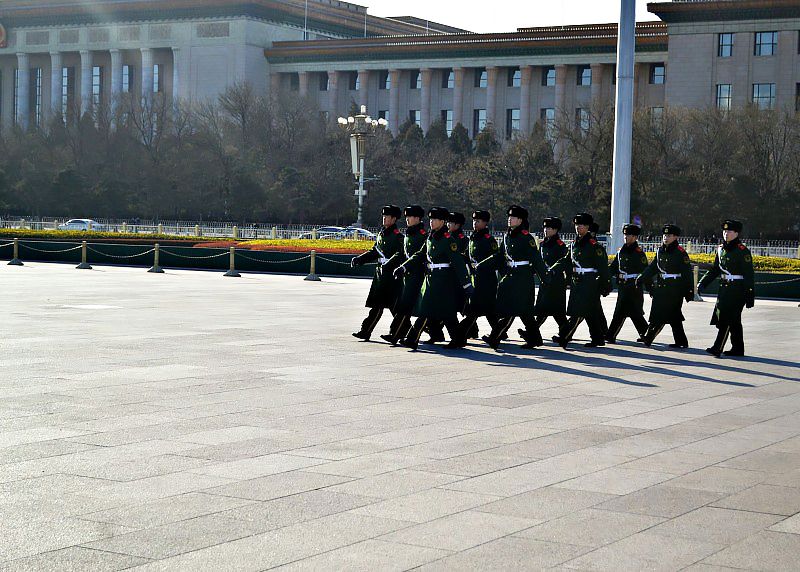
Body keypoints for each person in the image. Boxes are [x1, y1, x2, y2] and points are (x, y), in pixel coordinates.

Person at [394, 207, 472, 350]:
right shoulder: (431, 237)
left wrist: (467, 284)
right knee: (448, 312)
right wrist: (404, 267)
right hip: (432, 278)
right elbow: (419, 255)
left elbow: (458, 263)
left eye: (434, 219)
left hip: (442, 280)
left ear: (442, 221)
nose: (431, 222)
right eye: (430, 219)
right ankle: (459, 339)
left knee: (425, 308)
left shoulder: (448, 240)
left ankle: (412, 339)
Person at [480, 205, 549, 351]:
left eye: (513, 217)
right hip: (511, 276)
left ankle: (495, 337)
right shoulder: (506, 236)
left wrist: (545, 277)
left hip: (522, 278)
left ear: (520, 220)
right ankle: (535, 339)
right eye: (509, 217)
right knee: (526, 313)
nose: (509, 219)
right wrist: (482, 265)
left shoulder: (526, 238)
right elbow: (499, 256)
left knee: (510, 310)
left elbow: (536, 259)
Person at [551, 213, 611, 348]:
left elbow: (603, 267)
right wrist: (554, 269)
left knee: (578, 311)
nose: (578, 227)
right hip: (577, 281)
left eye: (582, 225)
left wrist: (606, 284)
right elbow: (566, 261)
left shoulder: (594, 245)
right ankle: (598, 338)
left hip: (589, 282)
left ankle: (564, 336)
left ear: (588, 227)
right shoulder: (574, 244)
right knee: (591, 312)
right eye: (577, 225)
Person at [698, 219, 755, 357]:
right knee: (734, 321)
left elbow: (748, 274)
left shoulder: (742, 251)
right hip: (725, 289)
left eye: (729, 231)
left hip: (737, 290)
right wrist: (702, 283)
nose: (726, 233)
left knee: (727, 319)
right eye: (724, 231)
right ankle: (738, 349)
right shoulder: (721, 249)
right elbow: (715, 269)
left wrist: (749, 294)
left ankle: (718, 347)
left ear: (736, 233)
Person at [350, 205, 404, 340]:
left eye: (387, 217)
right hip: (380, 274)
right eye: (383, 216)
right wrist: (360, 259)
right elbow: (375, 251)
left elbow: (401, 254)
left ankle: (399, 331)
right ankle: (367, 330)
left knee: (390, 306)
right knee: (380, 304)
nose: (384, 219)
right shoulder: (382, 233)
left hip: (391, 275)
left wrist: (389, 265)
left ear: (394, 219)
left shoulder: (397, 236)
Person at [638, 223, 694, 348]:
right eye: (664, 235)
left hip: (674, 288)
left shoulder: (680, 253)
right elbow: (653, 267)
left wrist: (689, 291)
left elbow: (687, 273)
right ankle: (681, 341)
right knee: (673, 316)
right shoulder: (660, 251)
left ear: (675, 237)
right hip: (661, 286)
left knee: (663, 314)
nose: (666, 238)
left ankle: (648, 337)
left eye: (669, 235)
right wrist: (642, 277)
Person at [382, 205, 427, 345]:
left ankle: (397, 334)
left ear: (418, 218)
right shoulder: (410, 233)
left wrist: (405, 267)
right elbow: (401, 253)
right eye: (406, 217)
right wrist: (390, 264)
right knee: (404, 306)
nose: (407, 219)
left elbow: (419, 256)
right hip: (407, 275)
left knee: (407, 306)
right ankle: (397, 334)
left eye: (410, 217)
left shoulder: (422, 235)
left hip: (417, 275)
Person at [424, 211, 469, 344]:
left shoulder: (458, 239)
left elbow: (458, 261)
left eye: (451, 222)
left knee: (450, 310)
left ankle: (461, 336)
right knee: (436, 308)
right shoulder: (435, 236)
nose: (449, 224)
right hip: (439, 277)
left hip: (451, 278)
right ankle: (436, 334)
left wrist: (466, 283)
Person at [459, 210, 500, 340]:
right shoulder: (473, 237)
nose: (474, 223)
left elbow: (496, 257)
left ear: (485, 223)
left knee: (475, 308)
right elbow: (467, 255)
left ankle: (460, 332)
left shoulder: (489, 239)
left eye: (478, 221)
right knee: (488, 309)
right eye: (474, 221)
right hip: (475, 278)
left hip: (486, 279)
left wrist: (481, 265)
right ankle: (499, 331)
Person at [606, 223, 650, 343]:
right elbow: (614, 267)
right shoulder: (621, 251)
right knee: (629, 312)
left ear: (636, 237)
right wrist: (605, 277)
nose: (627, 238)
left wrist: (649, 287)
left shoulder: (638, 253)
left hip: (633, 285)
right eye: (625, 235)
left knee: (626, 312)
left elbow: (645, 271)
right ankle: (646, 333)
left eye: (630, 235)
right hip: (623, 285)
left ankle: (611, 335)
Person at [532, 217, 569, 332]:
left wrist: (568, 280)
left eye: (549, 228)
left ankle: (566, 331)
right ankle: (532, 331)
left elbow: (565, 262)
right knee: (543, 309)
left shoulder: (560, 245)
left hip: (556, 281)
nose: (545, 230)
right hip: (545, 280)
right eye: (544, 227)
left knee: (556, 310)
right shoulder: (542, 244)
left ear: (556, 230)